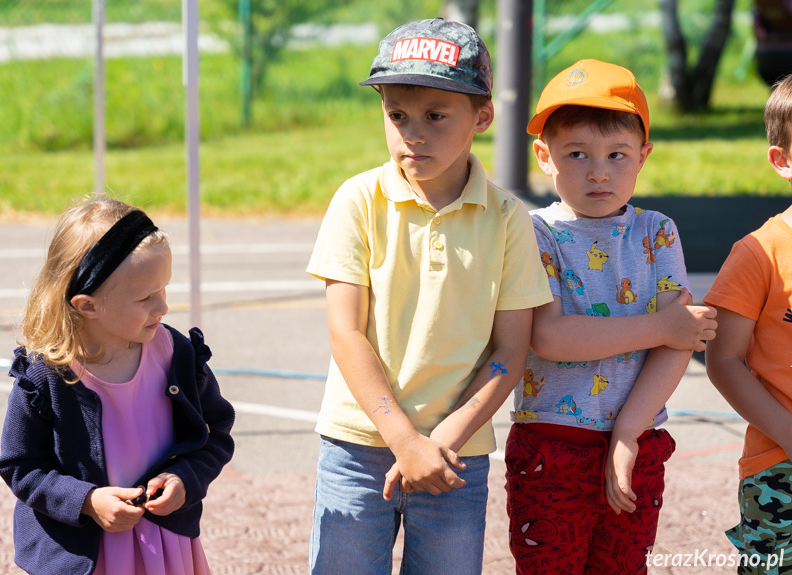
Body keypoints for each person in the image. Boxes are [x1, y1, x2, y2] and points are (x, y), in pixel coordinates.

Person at [305, 17, 553, 575]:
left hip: (455, 455)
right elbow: (345, 332)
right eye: (397, 115)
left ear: (483, 116)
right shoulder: (357, 200)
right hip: (358, 444)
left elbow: (509, 354)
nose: (412, 133)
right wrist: (402, 439)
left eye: (436, 116)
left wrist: (437, 443)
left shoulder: (510, 219)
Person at [505, 59, 718, 574]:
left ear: (642, 156)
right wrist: (662, 326)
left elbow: (680, 339)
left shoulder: (657, 231)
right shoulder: (535, 232)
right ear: (544, 156)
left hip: (640, 441)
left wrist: (627, 432)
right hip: (551, 446)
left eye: (616, 154)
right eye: (577, 153)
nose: (598, 171)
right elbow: (550, 336)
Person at [0, 196, 235, 575]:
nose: (163, 307)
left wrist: (185, 478)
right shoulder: (45, 376)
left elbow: (217, 434)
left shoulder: (178, 354)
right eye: (145, 298)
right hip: (81, 557)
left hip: (164, 547)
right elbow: (20, 466)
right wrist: (87, 501)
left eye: (164, 289)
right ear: (87, 306)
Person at [704, 73, 792, 573]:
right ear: (783, 160)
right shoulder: (759, 252)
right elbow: (724, 360)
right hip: (779, 468)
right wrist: (788, 433)